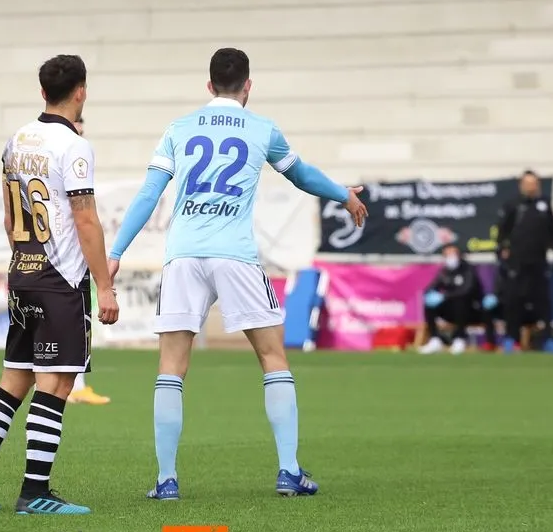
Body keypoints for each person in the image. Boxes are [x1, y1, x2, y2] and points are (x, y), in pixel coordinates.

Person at [106, 48, 367, 500]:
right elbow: (301, 176)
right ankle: (288, 472)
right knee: (272, 357)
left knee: (171, 367)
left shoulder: (178, 129)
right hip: (236, 256)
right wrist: (343, 194)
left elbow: (149, 194)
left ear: (208, 86)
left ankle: (166, 480)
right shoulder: (262, 128)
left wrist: (115, 253)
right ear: (248, 86)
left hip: (184, 256)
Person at [0, 54, 119, 515]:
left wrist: (24, 264)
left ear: (43, 91)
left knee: (14, 379)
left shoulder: (16, 141)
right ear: (81, 92)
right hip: (59, 280)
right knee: (57, 384)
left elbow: (10, 219)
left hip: (22, 272)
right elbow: (85, 220)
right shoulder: (75, 146)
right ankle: (34, 492)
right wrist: (104, 287)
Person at [68, 115, 112, 405]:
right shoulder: (71, 157)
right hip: (66, 258)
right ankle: (74, 386)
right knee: (74, 318)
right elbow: (83, 217)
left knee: (74, 321)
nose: (81, 129)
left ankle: (76, 384)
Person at [496, 169, 553, 353]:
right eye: (528, 184)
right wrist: (502, 252)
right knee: (513, 302)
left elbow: (552, 231)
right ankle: (511, 339)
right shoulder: (513, 205)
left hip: (538, 261)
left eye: (534, 184)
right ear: (521, 185)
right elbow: (502, 232)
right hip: (517, 263)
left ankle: (547, 339)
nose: (531, 187)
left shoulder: (544, 204)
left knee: (543, 302)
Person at [419, 243, 497, 354]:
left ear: (459, 255)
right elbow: (432, 286)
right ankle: (435, 339)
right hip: (451, 312)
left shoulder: (468, 269)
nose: (450, 257)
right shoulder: (444, 271)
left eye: (452, 254)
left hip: (472, 310)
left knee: (460, 301)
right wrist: (429, 293)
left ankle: (460, 339)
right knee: (429, 304)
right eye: (447, 255)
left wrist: (445, 296)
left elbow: (467, 290)